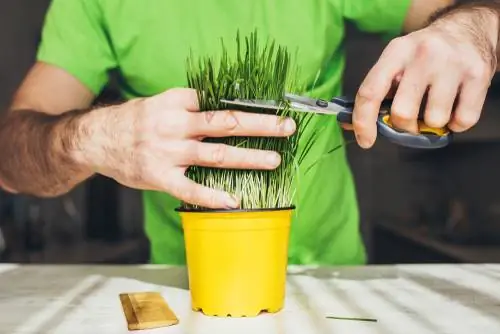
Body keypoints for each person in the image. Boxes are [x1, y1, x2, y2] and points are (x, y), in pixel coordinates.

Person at [0, 0, 465, 266]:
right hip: (185, 290)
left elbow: (467, 8)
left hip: (331, 280)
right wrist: (94, 137)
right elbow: (9, 161)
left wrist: (470, 29)